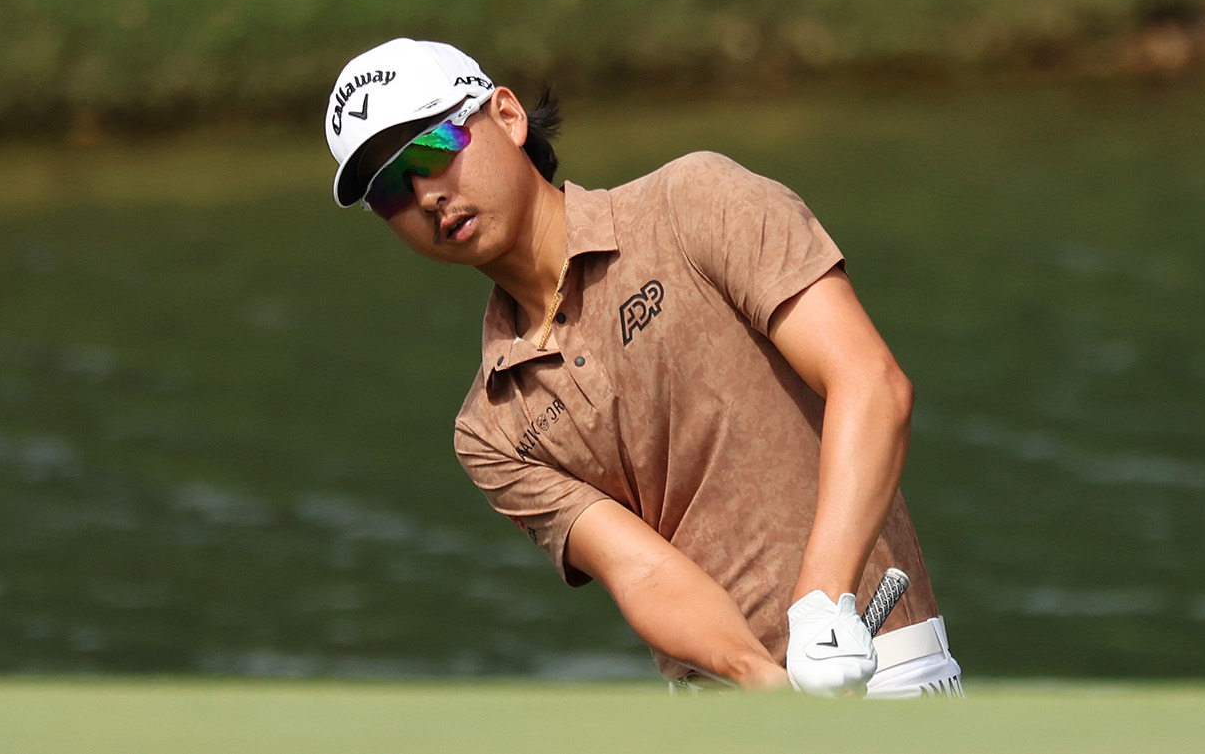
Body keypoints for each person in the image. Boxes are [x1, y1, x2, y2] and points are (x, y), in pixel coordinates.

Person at [324, 38, 963, 698]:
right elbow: (645, 573)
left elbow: (871, 382)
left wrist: (823, 605)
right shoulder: (490, 429)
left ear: (507, 117)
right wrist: (763, 682)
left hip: (883, 668)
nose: (426, 193)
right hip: (730, 711)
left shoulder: (695, 202)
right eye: (391, 189)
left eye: (432, 149)